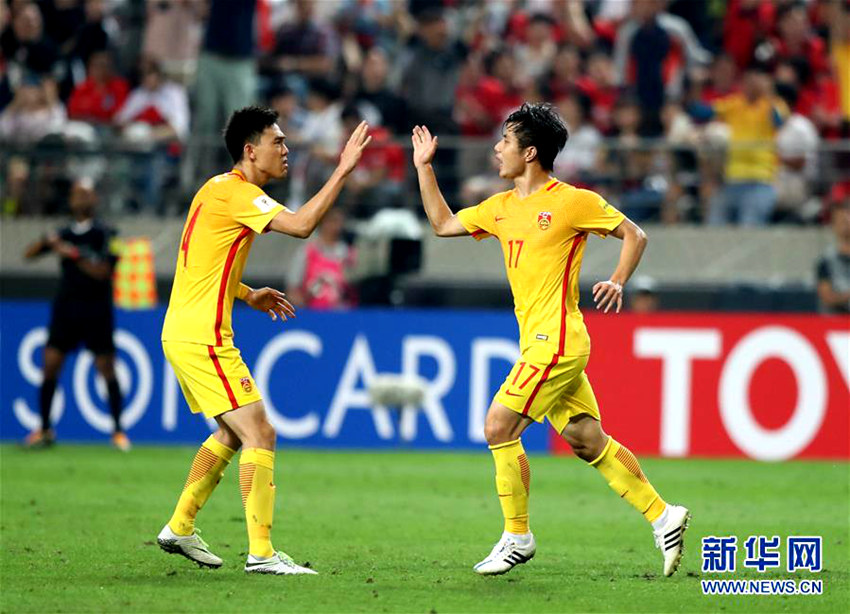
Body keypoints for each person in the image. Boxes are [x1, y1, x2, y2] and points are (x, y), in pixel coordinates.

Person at [411, 103, 689, 577]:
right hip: (540, 342)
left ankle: (517, 535)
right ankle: (664, 515)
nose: (497, 149)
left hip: (558, 339)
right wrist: (425, 168)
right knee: (585, 439)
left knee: (498, 426)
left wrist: (619, 279)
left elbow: (634, 235)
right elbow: (442, 223)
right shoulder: (499, 208)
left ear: (531, 151)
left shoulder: (572, 201)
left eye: (506, 141)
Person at [156, 106, 370, 575]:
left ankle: (181, 525)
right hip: (203, 337)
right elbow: (301, 226)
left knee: (232, 432)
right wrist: (342, 170)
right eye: (278, 142)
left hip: (186, 330)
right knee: (261, 431)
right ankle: (262, 554)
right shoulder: (238, 193)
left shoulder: (214, 189)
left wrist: (247, 292)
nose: (285, 149)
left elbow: (200, 263)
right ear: (250, 151)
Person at [22, 178, 129, 452]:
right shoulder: (63, 232)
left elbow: (104, 271)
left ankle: (118, 431)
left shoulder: (107, 233)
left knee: (106, 369)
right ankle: (45, 429)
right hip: (66, 309)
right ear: (70, 201)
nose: (80, 199)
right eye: (76, 194)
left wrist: (69, 252)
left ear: (95, 200)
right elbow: (28, 254)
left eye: (85, 194)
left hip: (96, 310)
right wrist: (46, 241)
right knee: (50, 365)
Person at [815, 185, 850, 314]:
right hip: (836, 322)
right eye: (839, 219)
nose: (845, 222)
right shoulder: (827, 260)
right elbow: (826, 296)